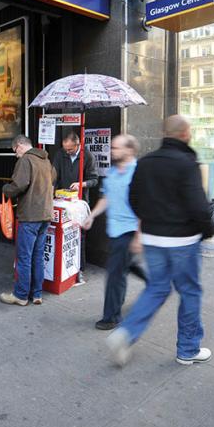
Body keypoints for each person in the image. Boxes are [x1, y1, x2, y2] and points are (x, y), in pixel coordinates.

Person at [106, 116, 214, 367]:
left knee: (157, 288)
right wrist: (207, 231)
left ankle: (125, 333)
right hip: (183, 241)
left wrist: (149, 220)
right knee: (189, 291)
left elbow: (133, 198)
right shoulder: (188, 163)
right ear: (185, 134)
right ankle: (188, 349)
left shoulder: (145, 163)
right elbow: (199, 207)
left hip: (153, 238)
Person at [82, 134, 141, 330]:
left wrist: (139, 235)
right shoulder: (113, 172)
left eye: (116, 148)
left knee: (115, 274)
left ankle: (111, 317)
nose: (112, 151)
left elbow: (147, 205)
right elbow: (106, 198)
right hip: (114, 230)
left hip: (130, 230)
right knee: (122, 267)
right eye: (112, 147)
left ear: (129, 150)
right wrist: (92, 215)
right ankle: (154, 281)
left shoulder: (139, 173)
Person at [0, 135, 55, 307]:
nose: (16, 154)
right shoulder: (45, 159)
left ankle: (21, 295)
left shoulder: (26, 160)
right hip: (45, 214)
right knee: (37, 256)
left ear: (20, 145)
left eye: (15, 150)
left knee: (24, 257)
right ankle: (36, 294)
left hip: (30, 216)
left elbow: (19, 185)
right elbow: (54, 177)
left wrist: (5, 189)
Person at [52, 129, 99, 286]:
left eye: (70, 149)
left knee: (79, 236)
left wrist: (81, 184)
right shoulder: (60, 154)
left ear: (78, 145)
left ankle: (80, 270)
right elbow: (54, 175)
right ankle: (64, 269)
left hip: (79, 202)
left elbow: (94, 180)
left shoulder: (88, 157)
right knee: (63, 235)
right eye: (65, 148)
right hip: (61, 200)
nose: (67, 151)